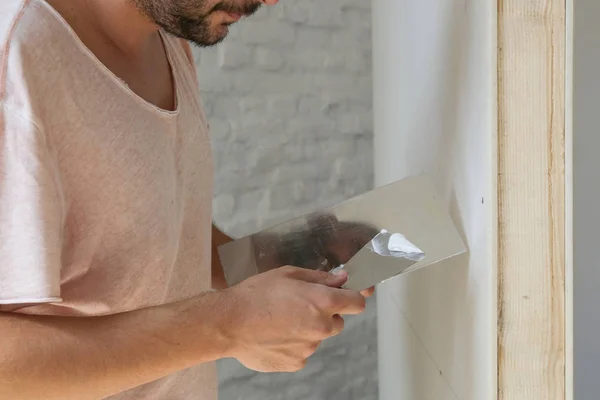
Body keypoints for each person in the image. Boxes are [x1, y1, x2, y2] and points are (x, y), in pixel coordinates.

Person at [0, 1, 375, 399]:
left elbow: (158, 230)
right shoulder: (16, 65)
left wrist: (285, 255)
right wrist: (230, 325)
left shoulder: (166, 33)